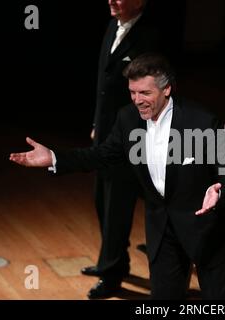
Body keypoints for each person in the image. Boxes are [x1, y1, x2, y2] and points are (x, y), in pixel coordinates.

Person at [10, 53, 225, 299]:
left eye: (145, 93)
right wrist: (55, 157)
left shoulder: (202, 121)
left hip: (207, 230)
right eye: (133, 92)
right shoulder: (128, 119)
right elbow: (101, 155)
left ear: (167, 89)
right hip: (163, 230)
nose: (137, 100)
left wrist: (220, 190)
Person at [83, 0, 161, 299]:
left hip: (129, 138)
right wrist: (96, 124)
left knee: (117, 207)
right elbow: (104, 85)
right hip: (105, 132)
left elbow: (150, 94)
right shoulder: (113, 25)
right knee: (102, 201)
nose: (112, 0)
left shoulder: (151, 37)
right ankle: (113, 261)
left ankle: (112, 275)